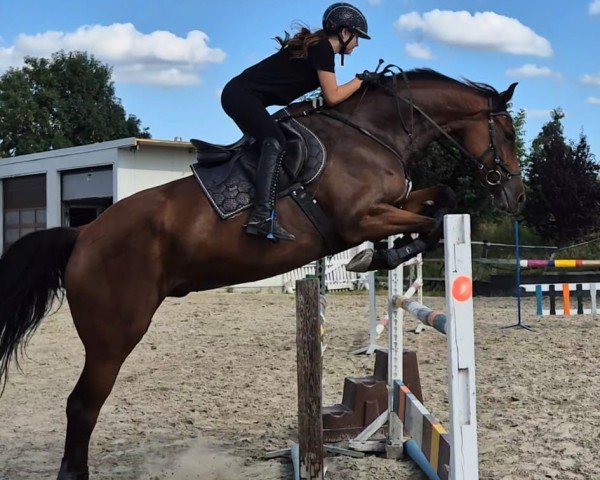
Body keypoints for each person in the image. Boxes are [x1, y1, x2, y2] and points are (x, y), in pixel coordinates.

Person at [221, 2, 374, 242]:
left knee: (277, 141)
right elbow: (333, 96)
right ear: (345, 33)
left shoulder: (320, 49)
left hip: (243, 96)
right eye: (357, 38)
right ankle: (262, 215)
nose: (357, 44)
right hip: (239, 95)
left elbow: (326, 98)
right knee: (275, 142)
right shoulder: (323, 49)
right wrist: (361, 80)